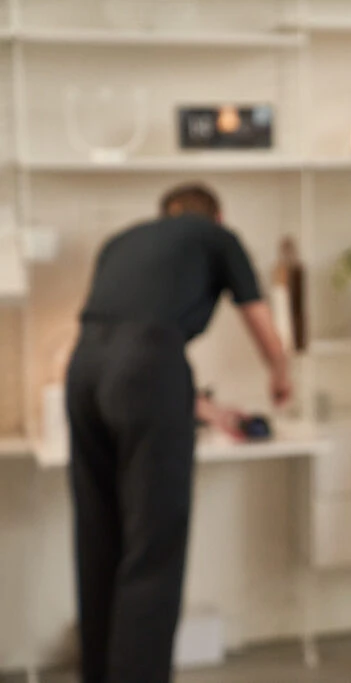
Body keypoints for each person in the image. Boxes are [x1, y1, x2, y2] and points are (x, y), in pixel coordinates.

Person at [66, 183, 292, 683]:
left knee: (98, 535)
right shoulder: (218, 238)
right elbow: (257, 319)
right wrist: (280, 373)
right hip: (149, 368)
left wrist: (206, 409)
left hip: (82, 371)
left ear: (164, 215)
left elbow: (122, 346)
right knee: (154, 542)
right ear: (218, 216)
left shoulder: (121, 241)